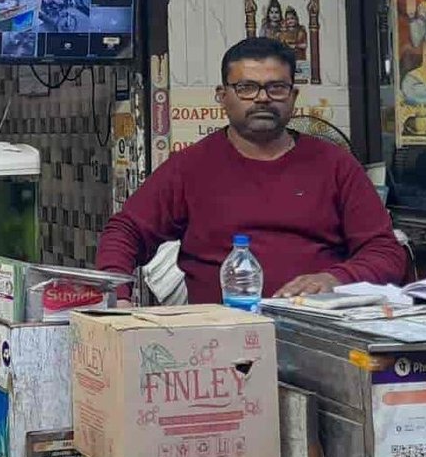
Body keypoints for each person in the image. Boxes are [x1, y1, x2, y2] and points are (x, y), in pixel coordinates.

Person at [96, 36, 407, 302]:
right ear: (222, 96)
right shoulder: (191, 167)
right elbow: (126, 230)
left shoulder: (335, 164)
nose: (262, 99)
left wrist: (335, 278)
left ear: (293, 96)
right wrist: (116, 297)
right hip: (219, 334)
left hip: (319, 329)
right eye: (246, 88)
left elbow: (385, 251)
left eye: (276, 88)